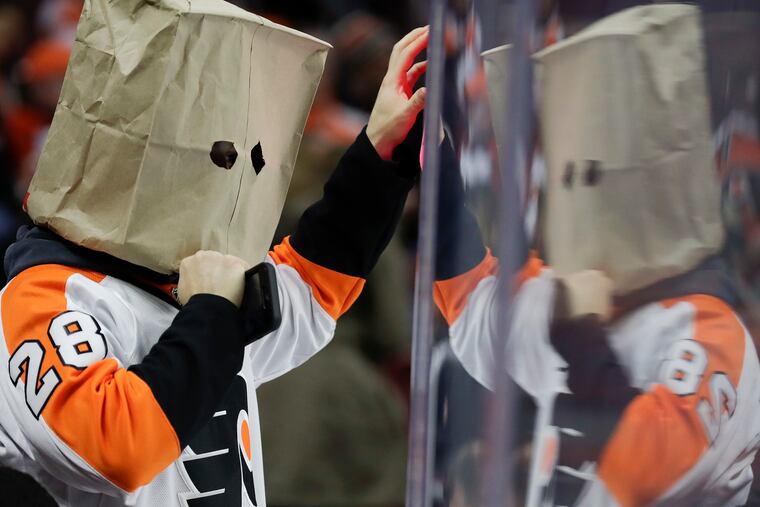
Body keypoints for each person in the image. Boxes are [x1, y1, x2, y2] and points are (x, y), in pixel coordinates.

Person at [0, 2, 429, 506]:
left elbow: (313, 285)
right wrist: (211, 314)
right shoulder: (44, 297)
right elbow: (119, 449)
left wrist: (381, 153)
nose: (235, 182)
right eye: (220, 157)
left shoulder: (193, 284)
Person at [432, 5, 760, 506]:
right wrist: (432, 169)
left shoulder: (712, 333)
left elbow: (646, 468)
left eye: (582, 178)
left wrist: (579, 333)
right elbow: (474, 303)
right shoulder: (564, 295)